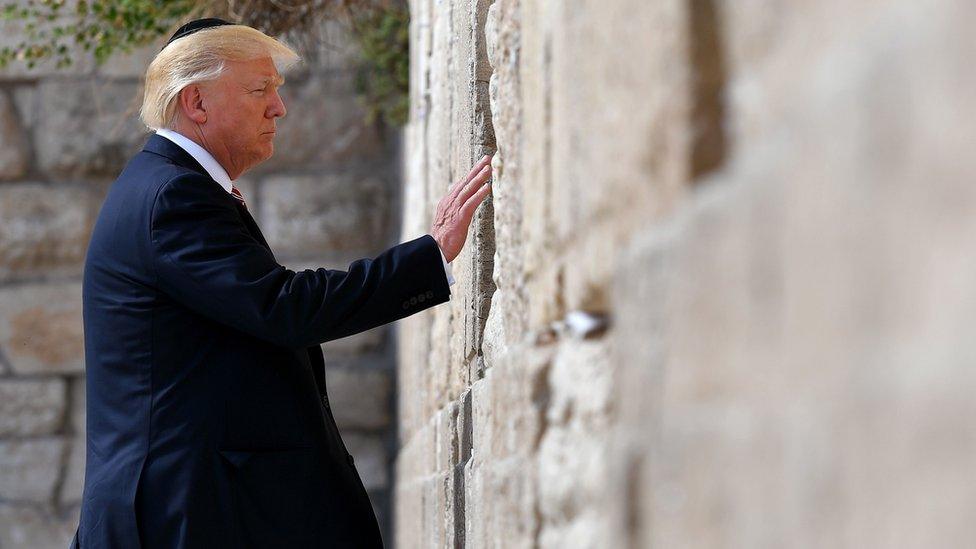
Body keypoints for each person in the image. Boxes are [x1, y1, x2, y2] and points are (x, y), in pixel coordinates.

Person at [70, 18, 492, 549]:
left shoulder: (170, 186)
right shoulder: (171, 198)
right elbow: (282, 306)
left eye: (277, 89)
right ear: (196, 103)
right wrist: (427, 259)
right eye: (259, 90)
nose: (278, 107)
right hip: (183, 517)